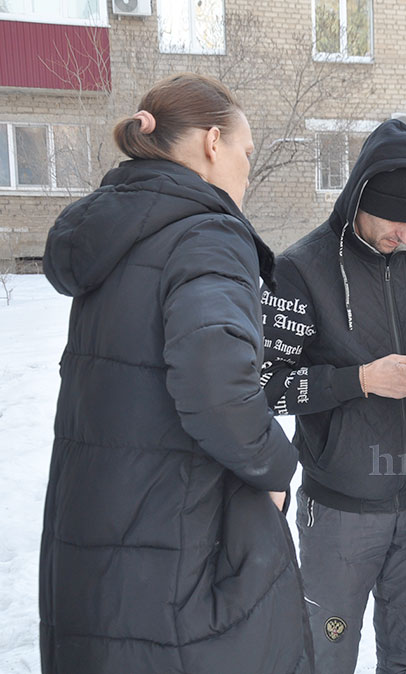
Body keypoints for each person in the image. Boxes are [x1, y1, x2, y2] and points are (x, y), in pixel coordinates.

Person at [39, 74, 313, 674]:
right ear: (213, 142)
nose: (246, 167)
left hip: (95, 541)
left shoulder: (119, 232)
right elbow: (215, 380)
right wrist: (275, 466)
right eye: (246, 151)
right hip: (176, 546)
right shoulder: (206, 233)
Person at [260, 118, 406, 673]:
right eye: (394, 222)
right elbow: (266, 387)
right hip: (341, 512)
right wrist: (359, 380)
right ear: (358, 198)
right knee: (327, 653)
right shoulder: (300, 270)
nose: (405, 238)